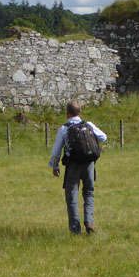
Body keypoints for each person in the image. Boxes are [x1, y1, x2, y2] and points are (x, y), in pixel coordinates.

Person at [49, 100, 107, 234]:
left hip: (73, 164)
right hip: (89, 164)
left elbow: (56, 151)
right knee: (89, 192)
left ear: (67, 114)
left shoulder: (64, 129)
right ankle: (89, 221)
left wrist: (55, 165)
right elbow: (103, 137)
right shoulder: (89, 125)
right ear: (80, 112)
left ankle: (75, 229)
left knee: (72, 197)